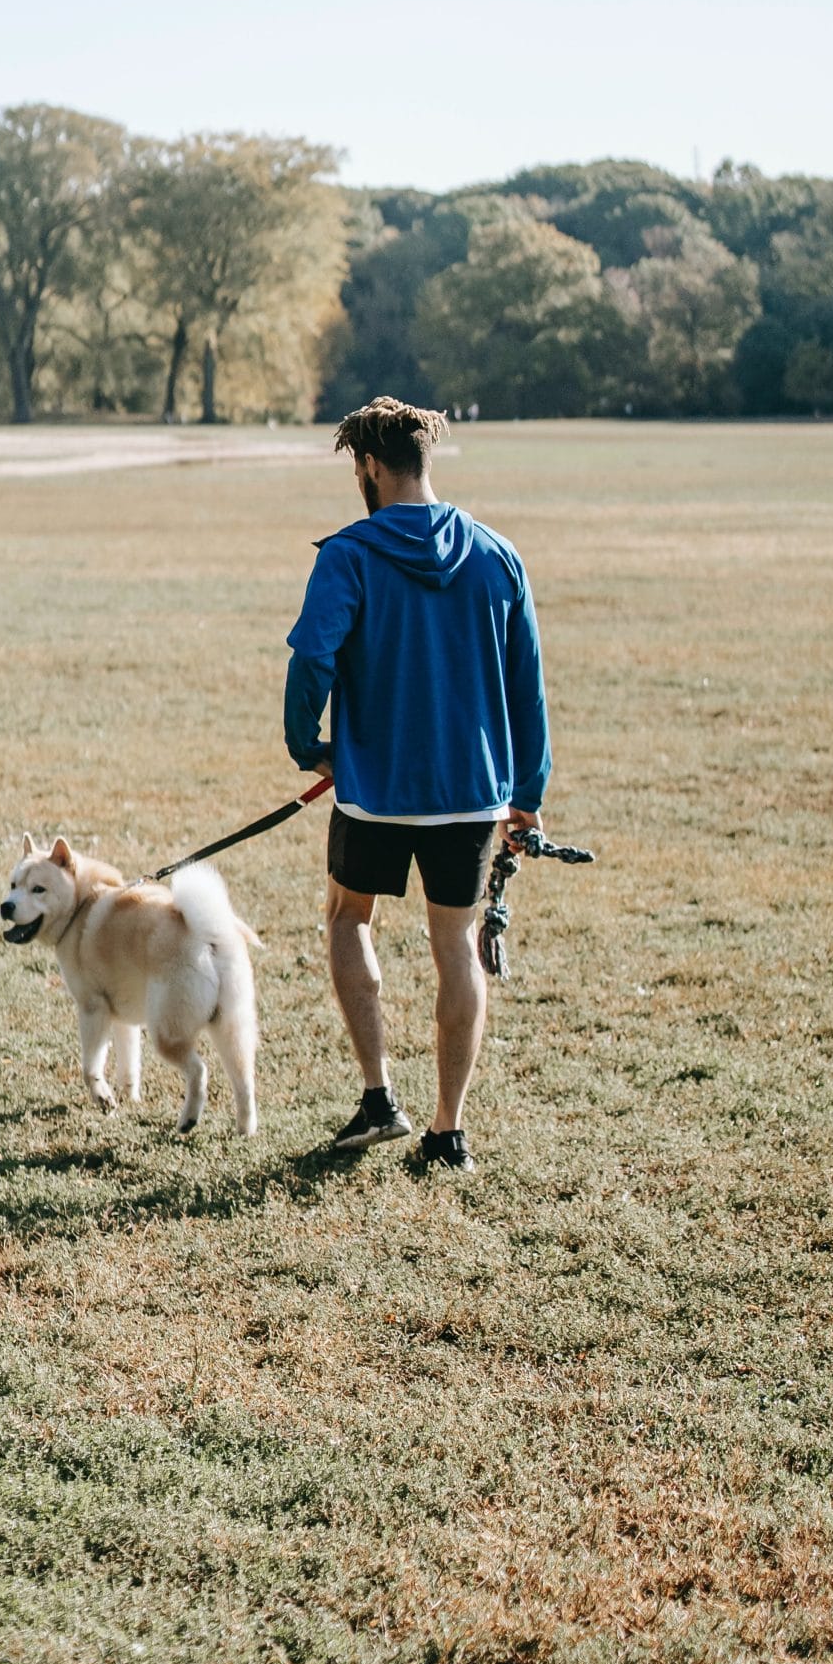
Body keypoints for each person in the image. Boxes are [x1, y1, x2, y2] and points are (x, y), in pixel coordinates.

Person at [283, 395, 551, 1171]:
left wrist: (310, 746)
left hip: (373, 790)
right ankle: (447, 1132)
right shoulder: (498, 554)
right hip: (472, 794)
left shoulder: (349, 554)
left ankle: (377, 1097)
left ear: (367, 466)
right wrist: (526, 795)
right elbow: (527, 688)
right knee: (456, 946)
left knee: (346, 920)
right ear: (422, 460)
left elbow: (311, 660)